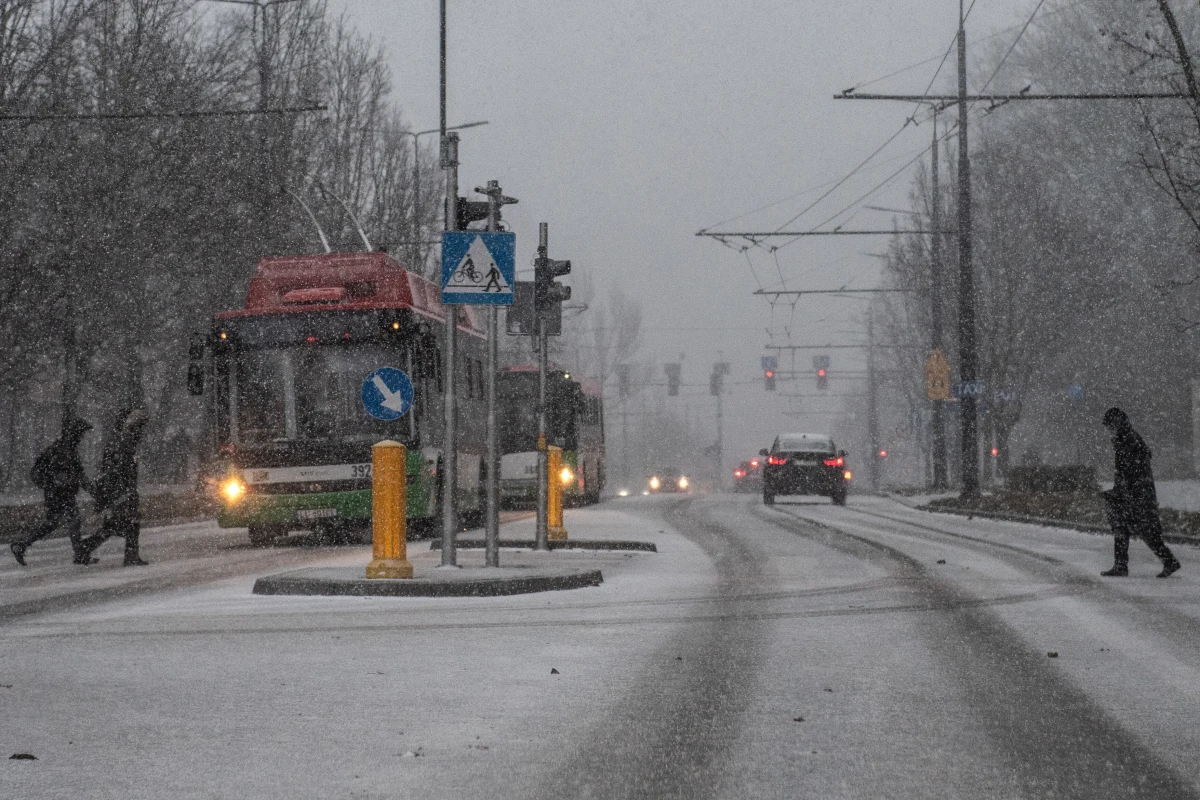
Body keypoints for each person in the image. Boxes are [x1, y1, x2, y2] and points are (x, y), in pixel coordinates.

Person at [1099, 407, 1181, 578]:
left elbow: (1131, 470)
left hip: (1137, 494)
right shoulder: (1126, 439)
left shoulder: (1128, 440)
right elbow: (1126, 470)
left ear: (1117, 424)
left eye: (1111, 426)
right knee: (1124, 526)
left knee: (1143, 529)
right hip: (1134, 493)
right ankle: (1122, 564)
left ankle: (1167, 561)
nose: (1109, 430)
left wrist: (1125, 491)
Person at [11, 417, 96, 566]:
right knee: (71, 521)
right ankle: (79, 555)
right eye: (81, 433)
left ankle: (22, 545)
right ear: (75, 434)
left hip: (63, 494)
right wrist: (55, 482)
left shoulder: (69, 450)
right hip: (58, 495)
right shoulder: (59, 450)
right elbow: (42, 472)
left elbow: (79, 474)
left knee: (55, 523)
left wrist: (92, 490)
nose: (83, 437)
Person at [78, 409, 150, 567]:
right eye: (138, 427)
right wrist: (121, 492)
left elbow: (116, 470)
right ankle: (129, 556)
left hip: (122, 491)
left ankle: (86, 547)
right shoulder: (123, 443)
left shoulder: (122, 441)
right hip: (122, 492)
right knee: (128, 523)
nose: (140, 432)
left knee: (118, 525)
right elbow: (116, 471)